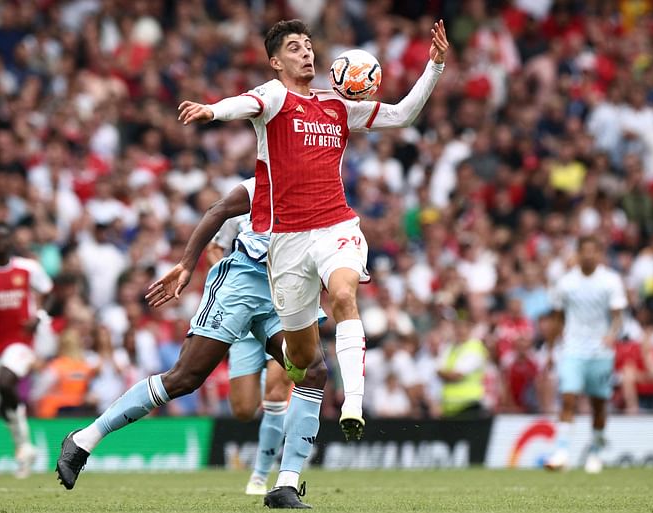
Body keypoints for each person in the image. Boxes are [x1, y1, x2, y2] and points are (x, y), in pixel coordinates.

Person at [177, 18, 450, 442]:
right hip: (287, 241)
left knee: (344, 294)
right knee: (300, 358)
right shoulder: (274, 96)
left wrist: (433, 67)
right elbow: (244, 103)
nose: (306, 52)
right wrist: (212, 110)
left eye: (308, 46)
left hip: (336, 226)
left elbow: (402, 114)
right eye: (295, 47)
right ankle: (277, 355)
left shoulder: (336, 106)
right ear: (275, 62)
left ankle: (353, 406)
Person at [57, 180, 327, 509]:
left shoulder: (321, 186)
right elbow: (219, 210)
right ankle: (84, 439)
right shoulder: (266, 180)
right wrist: (186, 264)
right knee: (185, 377)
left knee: (312, 371)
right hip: (243, 282)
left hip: (285, 289)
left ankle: (285, 484)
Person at [207, 212, 293, 496]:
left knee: (276, 392)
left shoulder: (294, 199)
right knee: (243, 410)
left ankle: (259, 476)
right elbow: (215, 248)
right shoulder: (242, 201)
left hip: (282, 311)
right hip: (244, 315)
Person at [0, 221, 53, 478]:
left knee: (6, 382)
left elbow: (48, 291)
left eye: (5, 238)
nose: (0, 243)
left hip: (21, 342)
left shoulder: (28, 268)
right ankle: (23, 447)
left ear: (11, 242)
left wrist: (39, 315)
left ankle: (23, 446)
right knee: (4, 401)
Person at [545, 236, 626, 474]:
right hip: (573, 349)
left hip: (601, 351)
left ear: (599, 254)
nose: (589, 255)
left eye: (593, 251)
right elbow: (558, 318)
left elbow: (618, 315)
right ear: (578, 254)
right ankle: (562, 453)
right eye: (585, 251)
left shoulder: (610, 281)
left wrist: (612, 335)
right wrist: (550, 349)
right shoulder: (565, 283)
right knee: (568, 398)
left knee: (598, 405)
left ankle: (596, 453)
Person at [436, 319, 489, 418]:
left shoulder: (475, 347)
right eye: (457, 327)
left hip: (469, 405)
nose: (460, 331)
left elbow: (457, 375)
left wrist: (445, 374)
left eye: (463, 328)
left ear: (469, 329)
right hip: (449, 407)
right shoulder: (449, 347)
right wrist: (446, 374)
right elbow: (438, 370)